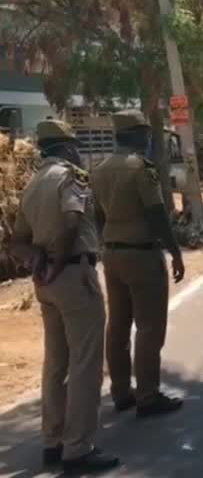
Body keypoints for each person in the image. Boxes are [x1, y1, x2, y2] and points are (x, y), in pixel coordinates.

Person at [10, 120, 119, 474]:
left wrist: (37, 261)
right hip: (74, 276)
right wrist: (57, 260)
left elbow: (16, 239)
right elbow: (73, 221)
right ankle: (78, 448)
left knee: (55, 364)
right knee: (86, 364)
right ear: (68, 147)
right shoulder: (71, 177)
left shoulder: (32, 184)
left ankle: (52, 441)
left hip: (47, 285)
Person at [91, 109, 185, 419]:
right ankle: (147, 395)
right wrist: (175, 251)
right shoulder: (141, 169)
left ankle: (120, 392)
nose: (148, 138)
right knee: (148, 327)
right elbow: (157, 215)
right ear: (136, 135)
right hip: (142, 254)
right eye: (145, 133)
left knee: (117, 325)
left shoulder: (100, 169)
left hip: (112, 254)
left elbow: (98, 217)